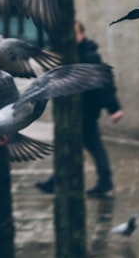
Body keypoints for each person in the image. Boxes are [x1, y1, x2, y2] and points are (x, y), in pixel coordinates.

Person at [36, 20, 123, 197]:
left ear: (81, 34)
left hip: (86, 111)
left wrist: (114, 108)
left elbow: (104, 84)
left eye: (74, 34)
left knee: (78, 146)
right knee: (82, 146)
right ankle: (101, 182)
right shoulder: (72, 55)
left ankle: (61, 182)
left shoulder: (89, 56)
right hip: (79, 111)